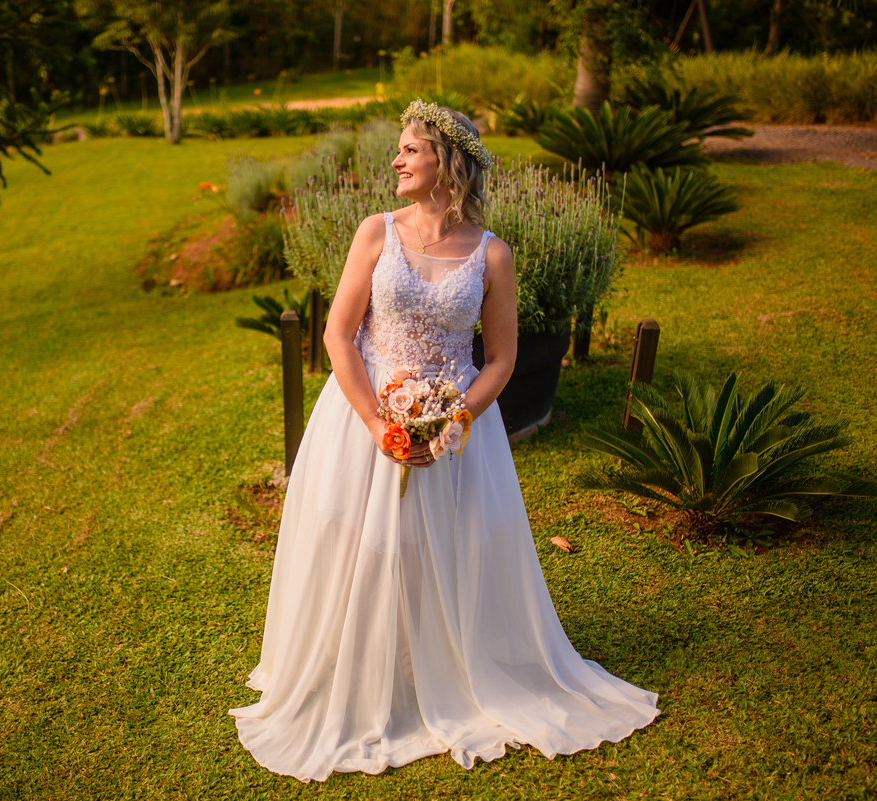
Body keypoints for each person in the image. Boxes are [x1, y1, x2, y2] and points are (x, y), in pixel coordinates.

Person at [228, 99, 661, 783]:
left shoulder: (494, 254)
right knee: (371, 542)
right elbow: (339, 336)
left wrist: (453, 419)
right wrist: (379, 422)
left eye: (410, 149)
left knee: (452, 544)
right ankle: (370, 671)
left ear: (447, 161)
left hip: (455, 423)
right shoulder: (376, 232)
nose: (397, 159)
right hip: (366, 414)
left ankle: (450, 665)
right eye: (398, 149)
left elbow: (501, 359)